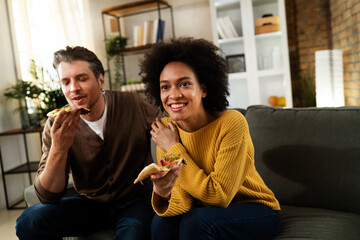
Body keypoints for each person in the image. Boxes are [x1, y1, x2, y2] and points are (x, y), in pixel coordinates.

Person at [139, 37, 281, 240]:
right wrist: (163, 193)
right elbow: (184, 202)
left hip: (254, 209)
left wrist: (174, 147)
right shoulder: (167, 130)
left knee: (196, 222)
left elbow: (219, 196)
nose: (174, 95)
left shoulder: (231, 123)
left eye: (184, 84)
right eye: (165, 87)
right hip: (202, 209)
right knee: (161, 223)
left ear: (204, 89)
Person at [16, 46, 161, 240]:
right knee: (29, 220)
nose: (73, 88)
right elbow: (46, 196)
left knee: (132, 234)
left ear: (100, 80)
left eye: (81, 78)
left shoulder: (134, 104)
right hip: (91, 205)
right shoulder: (56, 123)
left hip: (135, 203)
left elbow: (174, 123)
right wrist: (59, 149)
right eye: (66, 82)